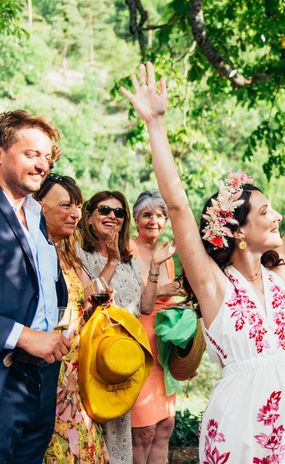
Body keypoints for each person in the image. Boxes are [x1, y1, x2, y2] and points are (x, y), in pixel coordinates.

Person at [121, 62, 285, 463]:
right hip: (239, 423)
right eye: (266, 212)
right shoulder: (215, 286)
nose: (277, 218)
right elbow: (178, 206)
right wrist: (155, 124)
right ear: (238, 231)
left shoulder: (279, 274)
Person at [76, 190, 171, 464]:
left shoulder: (128, 259)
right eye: (104, 210)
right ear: (89, 215)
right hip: (96, 360)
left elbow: (145, 307)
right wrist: (111, 263)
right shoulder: (82, 254)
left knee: (120, 443)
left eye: (119, 212)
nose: (112, 216)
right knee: (94, 440)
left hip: (124, 363)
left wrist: (153, 268)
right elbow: (88, 300)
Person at [0, 110, 70, 463]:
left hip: (41, 376)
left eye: (47, 156)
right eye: (31, 154)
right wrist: (23, 335)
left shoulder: (38, 213)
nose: (43, 165)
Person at [35, 173, 110, 463]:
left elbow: (79, 310)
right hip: (50, 372)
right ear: (39, 206)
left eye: (77, 205)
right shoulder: (33, 254)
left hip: (77, 371)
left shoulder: (68, 253)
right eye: (66, 205)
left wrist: (93, 305)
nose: (76, 213)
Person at [130, 190, 184, 464]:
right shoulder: (128, 250)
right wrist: (167, 289)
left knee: (164, 427)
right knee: (143, 431)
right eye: (147, 215)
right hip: (140, 351)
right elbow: (138, 301)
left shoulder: (168, 255)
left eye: (160, 215)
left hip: (164, 350)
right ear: (136, 219)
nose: (154, 221)